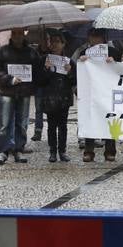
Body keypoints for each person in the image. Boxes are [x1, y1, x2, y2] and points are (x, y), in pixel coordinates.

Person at [0, 27, 40, 165]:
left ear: (23, 35)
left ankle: (19, 148)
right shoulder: (2, 51)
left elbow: (37, 70)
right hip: (7, 91)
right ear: (11, 35)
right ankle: (3, 150)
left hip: (24, 91)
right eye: (15, 33)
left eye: (20, 33)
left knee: (22, 123)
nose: (17, 36)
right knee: (4, 123)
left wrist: (32, 84)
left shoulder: (31, 52)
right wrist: (9, 79)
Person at [76, 29, 118, 163]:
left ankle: (110, 151)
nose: (95, 40)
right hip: (90, 92)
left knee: (110, 120)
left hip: (108, 91)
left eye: (98, 37)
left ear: (103, 38)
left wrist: (114, 62)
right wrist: (81, 62)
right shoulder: (84, 53)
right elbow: (79, 72)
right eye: (92, 37)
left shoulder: (113, 52)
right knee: (90, 119)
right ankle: (89, 151)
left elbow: (121, 70)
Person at [40, 32, 73, 163]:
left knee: (63, 126)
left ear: (63, 44)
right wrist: (46, 70)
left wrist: (70, 72)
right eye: (52, 41)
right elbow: (40, 81)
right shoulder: (44, 60)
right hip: (50, 98)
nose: (54, 44)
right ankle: (53, 151)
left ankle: (62, 151)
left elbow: (75, 80)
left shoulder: (69, 61)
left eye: (57, 41)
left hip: (64, 98)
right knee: (51, 126)